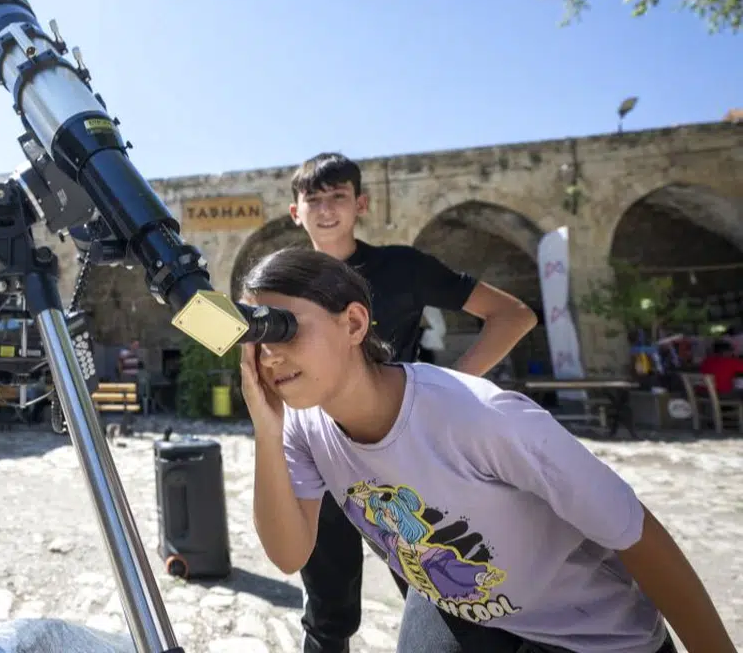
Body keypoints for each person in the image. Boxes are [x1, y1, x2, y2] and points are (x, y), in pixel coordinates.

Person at [240, 247, 730, 653]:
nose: (271, 354)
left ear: (353, 323)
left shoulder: (480, 416)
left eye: (282, 328)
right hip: (462, 604)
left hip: (587, 630)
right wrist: (266, 429)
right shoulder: (303, 427)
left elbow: (637, 532)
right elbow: (288, 554)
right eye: (256, 338)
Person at [286, 152, 539, 651]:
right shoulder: (287, 284)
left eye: (337, 196)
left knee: (440, 592)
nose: (326, 208)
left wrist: (444, 386)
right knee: (327, 613)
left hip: (397, 456)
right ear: (296, 212)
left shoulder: (402, 267)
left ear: (361, 204)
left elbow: (514, 315)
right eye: (313, 199)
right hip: (318, 451)